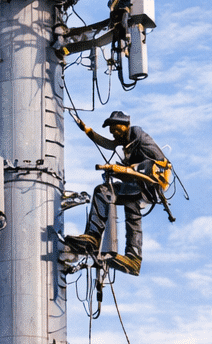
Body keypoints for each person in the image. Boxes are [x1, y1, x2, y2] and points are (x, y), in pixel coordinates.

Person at [63, 110, 169, 277]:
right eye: (110, 129)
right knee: (128, 205)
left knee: (103, 192)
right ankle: (130, 257)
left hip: (149, 183)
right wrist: (86, 129)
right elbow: (106, 143)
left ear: (125, 125)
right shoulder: (124, 140)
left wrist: (121, 169)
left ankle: (95, 239)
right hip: (138, 184)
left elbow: (157, 163)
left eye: (115, 128)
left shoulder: (138, 136)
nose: (112, 132)